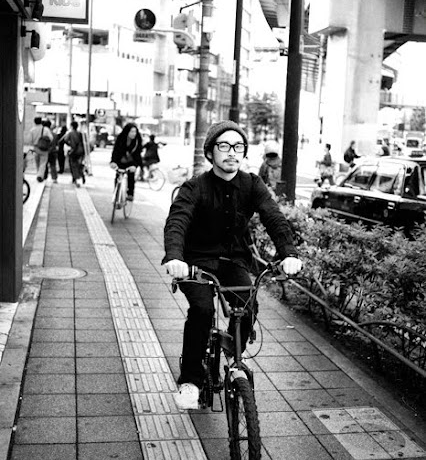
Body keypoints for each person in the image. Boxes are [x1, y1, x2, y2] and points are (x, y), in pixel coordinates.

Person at [162, 120, 303, 410]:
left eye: (238, 147)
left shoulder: (252, 184)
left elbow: (273, 217)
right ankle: (190, 381)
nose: (232, 152)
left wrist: (288, 253)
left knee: (248, 306)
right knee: (202, 310)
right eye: (224, 146)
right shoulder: (195, 187)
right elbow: (177, 220)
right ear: (210, 152)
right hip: (196, 262)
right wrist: (175, 256)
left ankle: (234, 350)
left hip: (233, 260)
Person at [110, 123, 143, 201]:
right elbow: (115, 151)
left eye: (135, 132)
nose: (133, 134)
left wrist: (135, 166)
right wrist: (113, 161)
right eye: (132, 132)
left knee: (131, 176)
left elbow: (138, 155)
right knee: (118, 176)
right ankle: (116, 194)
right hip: (120, 161)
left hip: (131, 162)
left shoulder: (137, 140)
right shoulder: (120, 138)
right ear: (127, 132)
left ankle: (130, 194)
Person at [61, 120, 85, 187]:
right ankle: (81, 174)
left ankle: (75, 178)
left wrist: (70, 144)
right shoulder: (80, 133)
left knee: (73, 165)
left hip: (73, 151)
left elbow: (65, 140)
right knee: (78, 164)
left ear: (71, 126)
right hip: (80, 151)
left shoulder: (70, 133)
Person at [29, 116, 53, 182]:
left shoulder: (32, 130)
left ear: (34, 122)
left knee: (37, 162)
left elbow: (30, 141)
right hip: (44, 149)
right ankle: (40, 175)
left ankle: (38, 175)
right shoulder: (46, 129)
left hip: (36, 148)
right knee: (43, 163)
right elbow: (51, 138)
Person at [42, 119, 58, 183]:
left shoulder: (43, 134)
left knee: (45, 165)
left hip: (46, 152)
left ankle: (44, 177)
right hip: (53, 152)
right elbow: (57, 144)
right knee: (53, 165)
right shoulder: (55, 135)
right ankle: (54, 178)